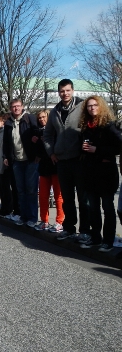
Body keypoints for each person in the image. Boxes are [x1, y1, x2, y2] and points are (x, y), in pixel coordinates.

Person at [43, 79, 90, 241]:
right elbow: (47, 135)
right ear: (58, 93)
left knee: (83, 198)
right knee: (67, 198)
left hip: (79, 159)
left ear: (73, 91)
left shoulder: (83, 107)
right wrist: (51, 152)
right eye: (62, 91)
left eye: (68, 90)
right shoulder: (54, 111)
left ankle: (84, 230)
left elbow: (90, 128)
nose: (65, 94)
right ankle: (69, 228)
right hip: (62, 161)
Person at [78, 96, 121, 251]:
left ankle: (108, 241)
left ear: (101, 106)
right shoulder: (85, 126)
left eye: (95, 105)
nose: (92, 108)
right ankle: (96, 237)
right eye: (89, 106)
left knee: (108, 207)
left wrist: (98, 150)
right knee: (93, 208)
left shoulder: (109, 125)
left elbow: (118, 146)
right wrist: (82, 146)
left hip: (106, 173)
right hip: (90, 172)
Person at [2, 98, 39, 228]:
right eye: (13, 107)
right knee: (20, 190)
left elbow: (38, 135)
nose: (16, 108)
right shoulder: (8, 123)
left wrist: (37, 153)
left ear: (22, 106)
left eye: (18, 106)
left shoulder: (30, 118)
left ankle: (33, 217)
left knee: (31, 190)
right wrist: (6, 156)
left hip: (30, 160)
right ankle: (23, 216)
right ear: (10, 108)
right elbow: (6, 142)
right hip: (16, 161)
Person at [33, 110, 65, 232]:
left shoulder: (55, 130)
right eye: (39, 118)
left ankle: (59, 221)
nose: (41, 119)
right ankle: (44, 221)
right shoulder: (38, 131)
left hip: (56, 166)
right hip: (44, 167)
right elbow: (39, 152)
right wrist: (35, 141)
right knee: (43, 196)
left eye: (43, 117)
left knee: (58, 196)